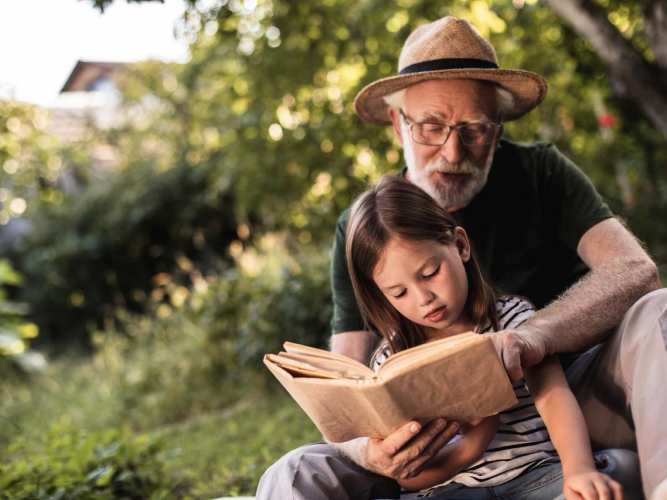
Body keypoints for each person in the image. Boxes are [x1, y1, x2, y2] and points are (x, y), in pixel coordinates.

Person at [257, 16, 667, 500]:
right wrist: (369, 451)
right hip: (445, 466)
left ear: (497, 130)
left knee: (659, 312)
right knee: (296, 472)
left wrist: (531, 339)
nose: (453, 151)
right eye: (431, 126)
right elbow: (346, 379)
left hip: (574, 411)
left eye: (474, 128)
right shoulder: (362, 229)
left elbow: (635, 270)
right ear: (398, 124)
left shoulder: (540, 173)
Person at [343, 174, 639, 499]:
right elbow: (407, 474)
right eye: (399, 293)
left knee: (619, 470)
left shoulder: (511, 324)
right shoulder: (392, 360)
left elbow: (554, 397)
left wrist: (578, 470)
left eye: (430, 274)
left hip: (535, 479)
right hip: (450, 492)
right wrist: (469, 447)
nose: (422, 297)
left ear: (460, 245)